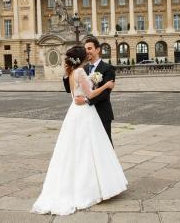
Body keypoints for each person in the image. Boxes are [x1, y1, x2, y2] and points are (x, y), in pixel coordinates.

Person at [31, 46, 127, 216]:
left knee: (75, 150)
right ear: (82, 57)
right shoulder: (81, 72)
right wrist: (106, 86)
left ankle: (79, 184)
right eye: (86, 51)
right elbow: (89, 94)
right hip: (84, 114)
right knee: (88, 148)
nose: (88, 53)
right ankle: (90, 187)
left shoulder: (71, 73)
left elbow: (76, 94)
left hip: (74, 113)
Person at [63, 37, 116, 146]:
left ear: (98, 49)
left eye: (90, 48)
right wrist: (66, 75)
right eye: (85, 49)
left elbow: (105, 93)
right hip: (84, 114)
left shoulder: (108, 68)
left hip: (101, 112)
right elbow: (70, 90)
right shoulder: (82, 68)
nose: (87, 51)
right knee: (87, 145)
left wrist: (86, 100)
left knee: (105, 144)